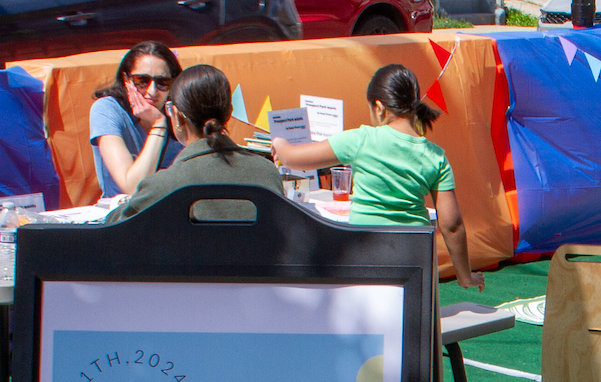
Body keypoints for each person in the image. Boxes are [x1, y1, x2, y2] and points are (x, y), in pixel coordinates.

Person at [272, 64, 485, 291]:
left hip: (366, 259)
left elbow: (292, 158)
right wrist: (465, 277)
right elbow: (452, 225)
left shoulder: (361, 139)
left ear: (379, 107)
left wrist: (279, 143)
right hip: (416, 260)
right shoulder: (436, 157)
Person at [109, 64, 285, 222]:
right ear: (229, 113)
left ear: (177, 116)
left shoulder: (164, 185)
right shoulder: (267, 173)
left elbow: (116, 225)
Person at [90, 42, 186, 198]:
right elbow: (134, 187)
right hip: (123, 213)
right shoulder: (107, 109)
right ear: (127, 79)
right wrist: (159, 124)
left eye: (162, 83)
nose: (152, 91)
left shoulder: (178, 112)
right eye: (142, 80)